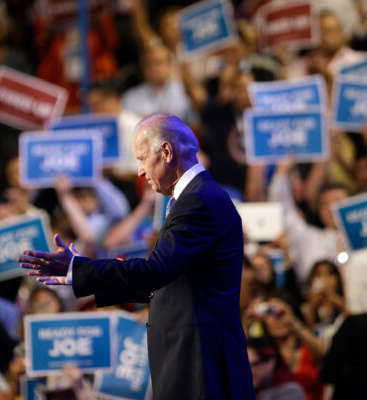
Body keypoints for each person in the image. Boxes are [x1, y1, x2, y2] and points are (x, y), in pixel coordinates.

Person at [18, 112, 254, 399]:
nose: (140, 171)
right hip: (192, 359)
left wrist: (77, 269)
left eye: (142, 159)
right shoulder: (194, 198)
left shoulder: (199, 201)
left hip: (200, 364)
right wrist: (80, 274)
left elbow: (155, 272)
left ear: (166, 152)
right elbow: (163, 283)